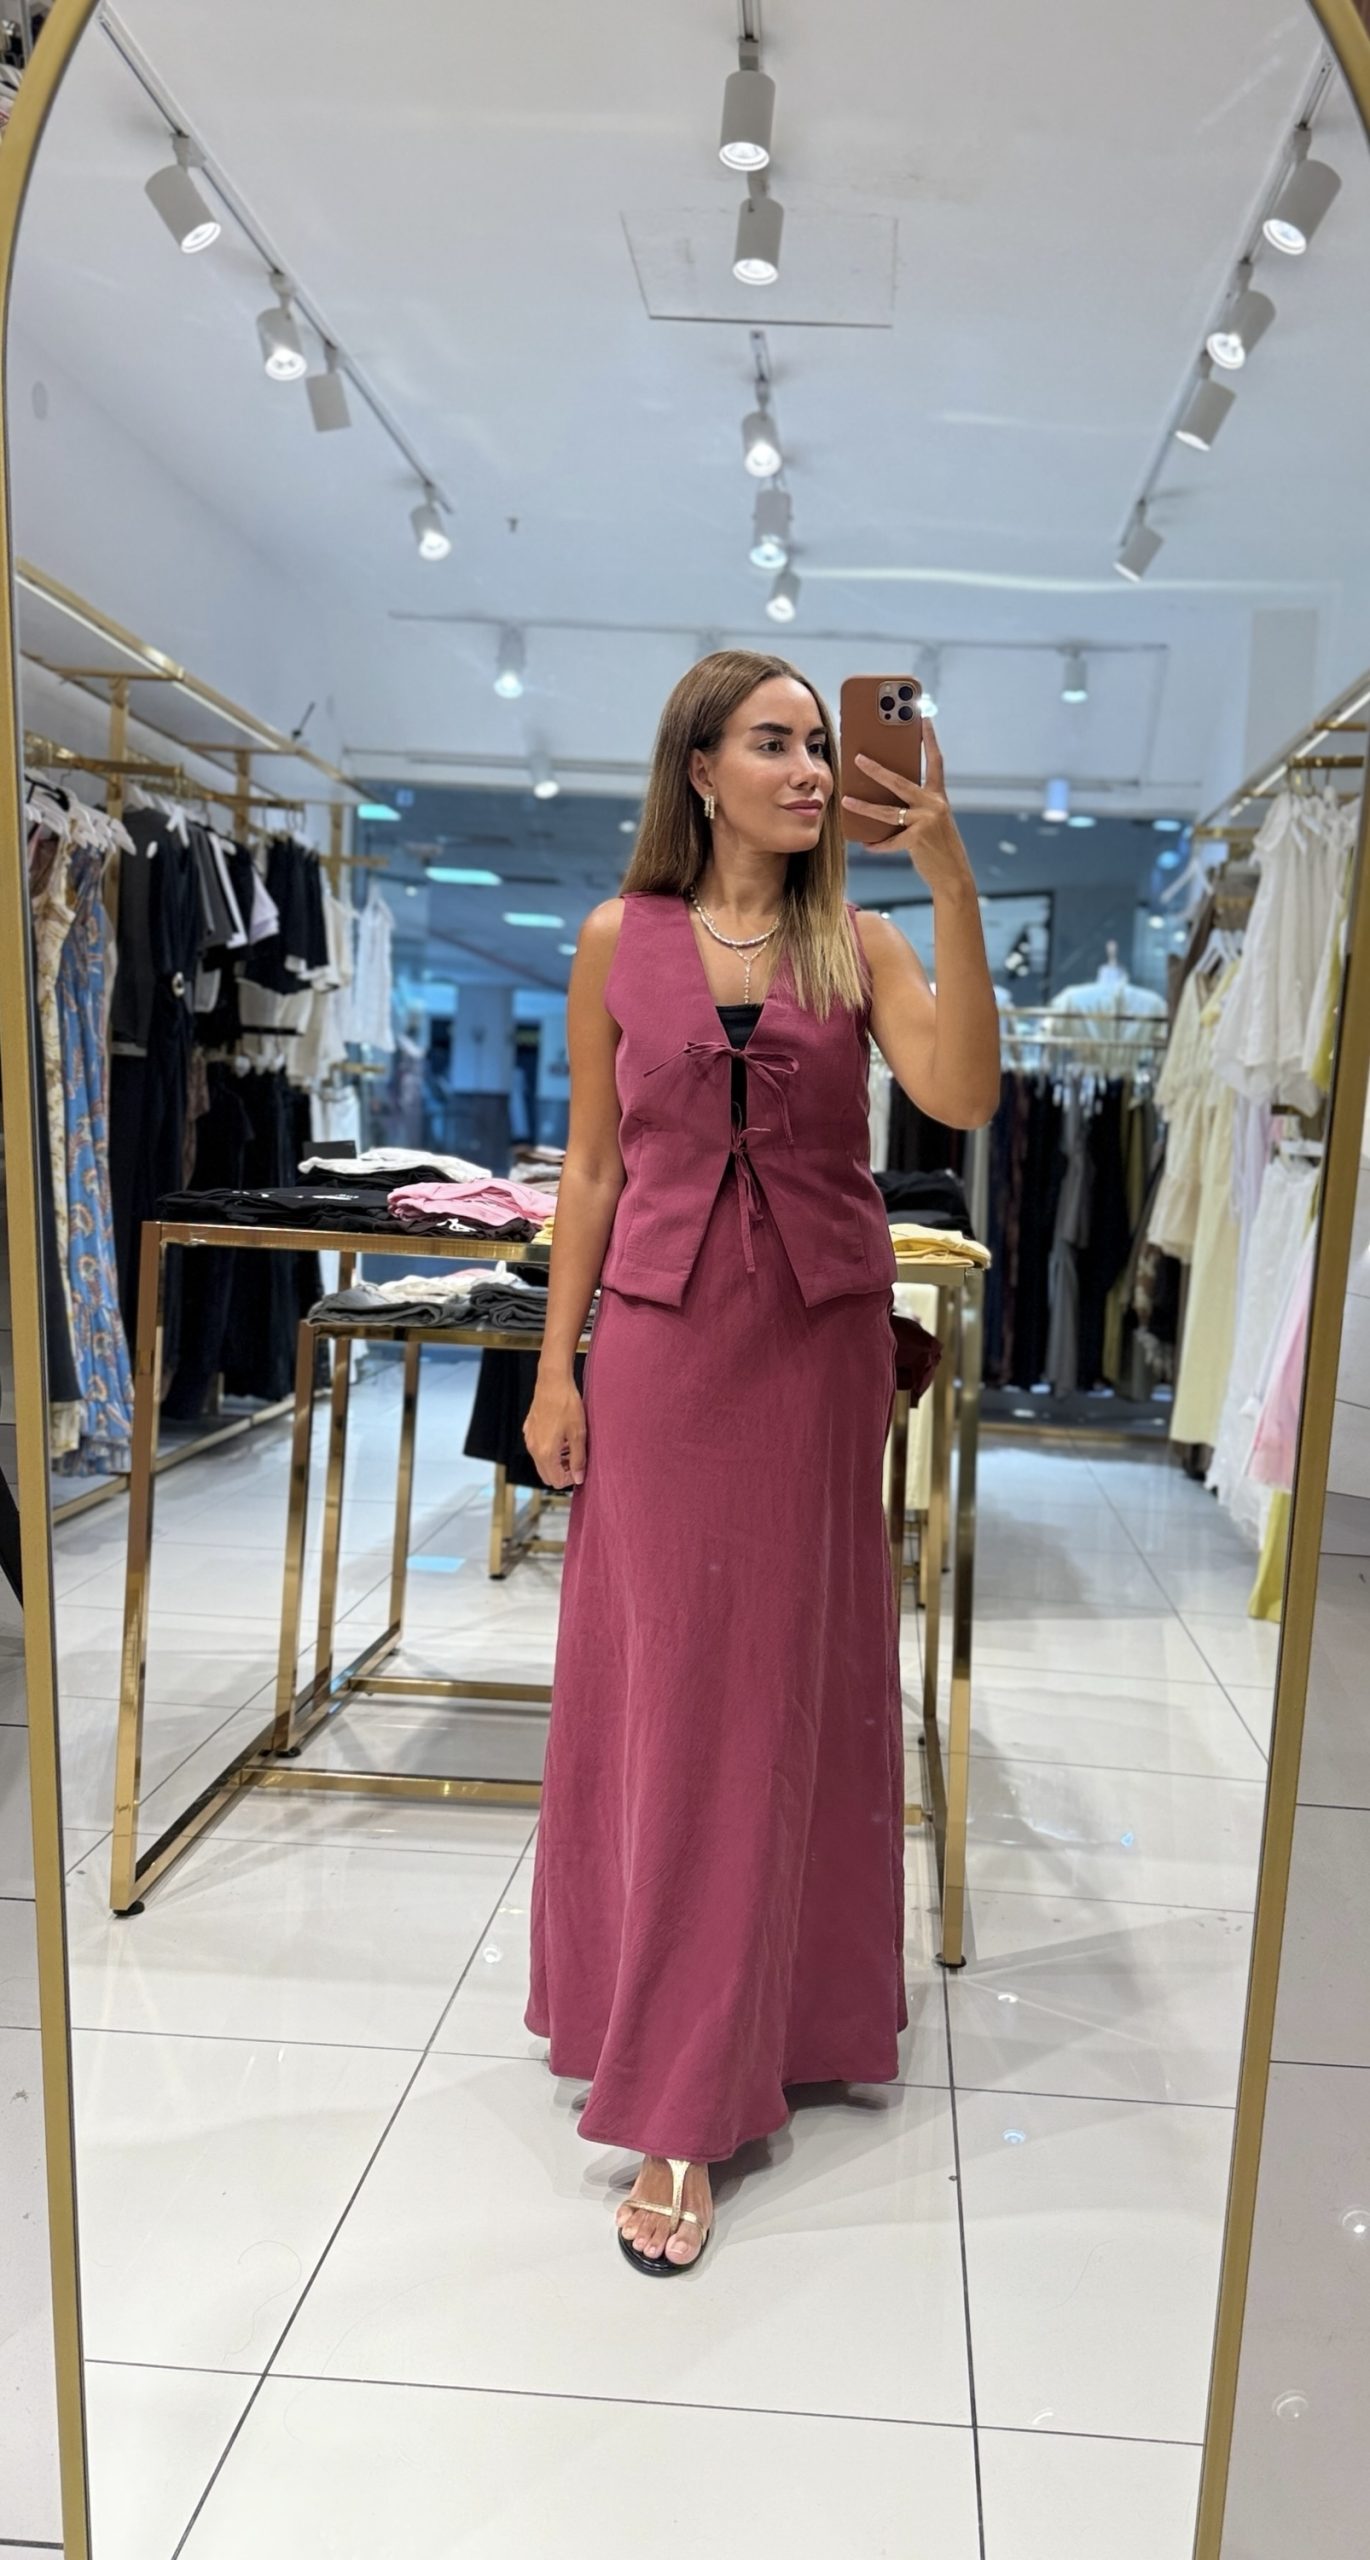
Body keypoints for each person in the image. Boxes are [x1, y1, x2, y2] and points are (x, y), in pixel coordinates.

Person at [522, 649, 999, 2275]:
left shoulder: (858, 940)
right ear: (700, 769)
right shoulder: (618, 938)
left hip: (811, 1351)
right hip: (660, 1354)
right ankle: (662, 2051)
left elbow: (960, 1092)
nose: (809, 770)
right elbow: (592, 1170)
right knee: (663, 1688)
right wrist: (555, 1367)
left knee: (784, 1686)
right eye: (776, 744)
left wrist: (946, 875)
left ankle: (748, 2041)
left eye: (818, 744)